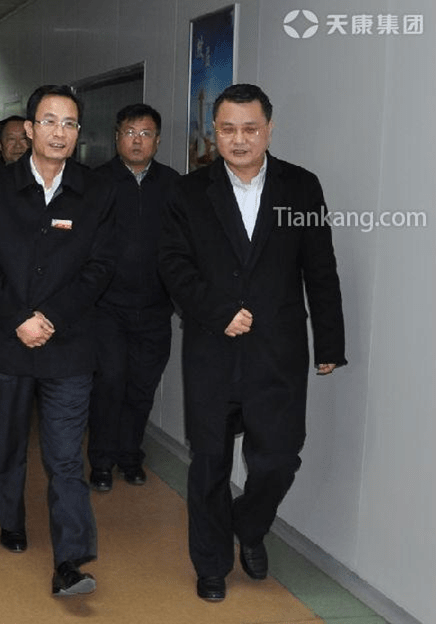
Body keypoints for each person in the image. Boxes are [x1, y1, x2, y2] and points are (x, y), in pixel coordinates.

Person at [158, 83, 346, 602]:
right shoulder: (188, 192)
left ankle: (249, 525)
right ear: (213, 132)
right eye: (227, 129)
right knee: (210, 462)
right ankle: (212, 563)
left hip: (277, 352)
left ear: (269, 129)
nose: (239, 139)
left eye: (250, 128)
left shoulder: (301, 186)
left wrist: (330, 342)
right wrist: (217, 311)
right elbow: (173, 264)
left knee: (279, 458)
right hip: (212, 351)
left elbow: (320, 267)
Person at [0, 85, 116, 596]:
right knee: (8, 446)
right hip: (4, 343)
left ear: (79, 133)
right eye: (49, 121)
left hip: (68, 344)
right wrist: (19, 319)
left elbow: (100, 268)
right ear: (29, 129)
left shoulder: (96, 191)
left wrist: (49, 317)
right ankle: (11, 521)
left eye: (70, 123)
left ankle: (71, 561)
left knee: (66, 458)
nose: (60, 132)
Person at [87, 104, 179, 492]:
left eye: (145, 134)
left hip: (156, 309)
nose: (137, 140)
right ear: (116, 137)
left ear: (157, 140)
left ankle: (130, 456)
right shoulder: (95, 182)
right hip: (107, 308)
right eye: (129, 132)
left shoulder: (173, 185)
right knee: (109, 383)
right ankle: (101, 461)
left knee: (142, 387)